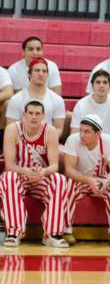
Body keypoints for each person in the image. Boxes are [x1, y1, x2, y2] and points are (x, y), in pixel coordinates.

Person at [0, 101, 70, 248]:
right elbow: (10, 165)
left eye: (37, 113)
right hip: (19, 176)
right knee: (8, 177)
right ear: (24, 115)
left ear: (43, 116)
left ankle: (52, 233)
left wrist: (42, 172)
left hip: (41, 178)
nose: (33, 116)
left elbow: (54, 166)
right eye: (30, 113)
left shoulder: (50, 131)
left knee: (59, 179)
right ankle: (13, 233)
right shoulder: (12, 129)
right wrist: (27, 171)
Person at [63, 114, 110, 247]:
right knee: (67, 184)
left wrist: (106, 182)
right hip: (79, 179)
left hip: (101, 179)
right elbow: (69, 170)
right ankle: (66, 231)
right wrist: (88, 180)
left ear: (98, 133)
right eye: (81, 130)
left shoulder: (109, 141)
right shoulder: (72, 140)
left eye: (87, 132)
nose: (82, 135)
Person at [6, 57, 66, 133]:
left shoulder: (57, 100)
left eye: (44, 71)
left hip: (47, 142)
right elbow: (11, 129)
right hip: (22, 142)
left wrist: (46, 141)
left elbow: (58, 129)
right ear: (29, 74)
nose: (41, 74)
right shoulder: (15, 99)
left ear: (47, 74)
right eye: (37, 70)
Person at [71, 69, 110, 146]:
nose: (101, 85)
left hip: (108, 148)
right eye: (98, 82)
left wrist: (107, 147)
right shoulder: (81, 105)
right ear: (92, 85)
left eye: (105, 82)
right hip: (85, 146)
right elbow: (74, 134)